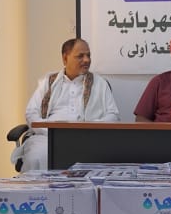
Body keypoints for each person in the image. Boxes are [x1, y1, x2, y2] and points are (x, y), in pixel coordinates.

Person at [11, 38, 120, 172]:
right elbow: (31, 112)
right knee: (37, 157)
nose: (86, 60)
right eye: (80, 56)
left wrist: (90, 127)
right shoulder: (48, 82)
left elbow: (113, 115)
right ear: (65, 58)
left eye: (88, 55)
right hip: (48, 138)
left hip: (87, 138)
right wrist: (50, 130)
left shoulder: (100, 83)